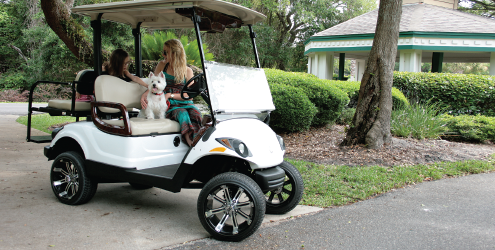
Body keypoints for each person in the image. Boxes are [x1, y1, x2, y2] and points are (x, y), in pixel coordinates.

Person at [141, 39, 202, 146]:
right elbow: (153, 84)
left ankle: (198, 142)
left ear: (174, 53)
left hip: (184, 102)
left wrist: (170, 95)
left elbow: (189, 96)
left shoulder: (187, 71)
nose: (162, 54)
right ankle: (190, 144)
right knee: (182, 114)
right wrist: (144, 94)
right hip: (168, 104)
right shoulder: (162, 65)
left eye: (165, 52)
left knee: (196, 114)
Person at [75, 49, 147, 101]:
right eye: (123, 63)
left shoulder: (124, 72)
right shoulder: (103, 69)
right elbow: (87, 79)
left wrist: (147, 86)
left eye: (127, 63)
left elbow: (134, 78)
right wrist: (78, 91)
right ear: (117, 63)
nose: (126, 66)